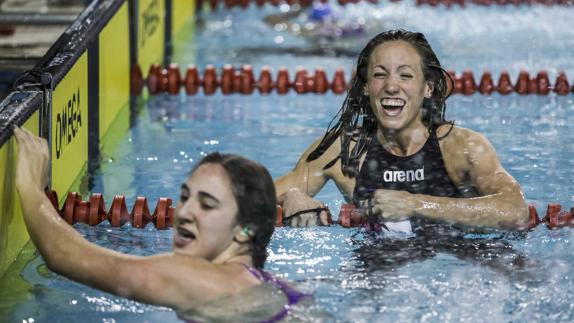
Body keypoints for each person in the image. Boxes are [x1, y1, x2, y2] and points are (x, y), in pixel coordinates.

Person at [13, 127, 311, 322]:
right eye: (185, 196)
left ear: (245, 230)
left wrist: (29, 187)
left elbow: (63, 256)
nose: (184, 212)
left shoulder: (197, 278)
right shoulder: (280, 289)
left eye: (206, 204)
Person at [274, 29, 530, 232]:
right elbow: (249, 200)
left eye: (405, 75)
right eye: (379, 75)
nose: (391, 86)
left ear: (428, 87)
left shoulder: (461, 147)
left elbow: (516, 211)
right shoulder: (343, 151)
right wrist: (291, 195)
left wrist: (414, 204)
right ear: (365, 87)